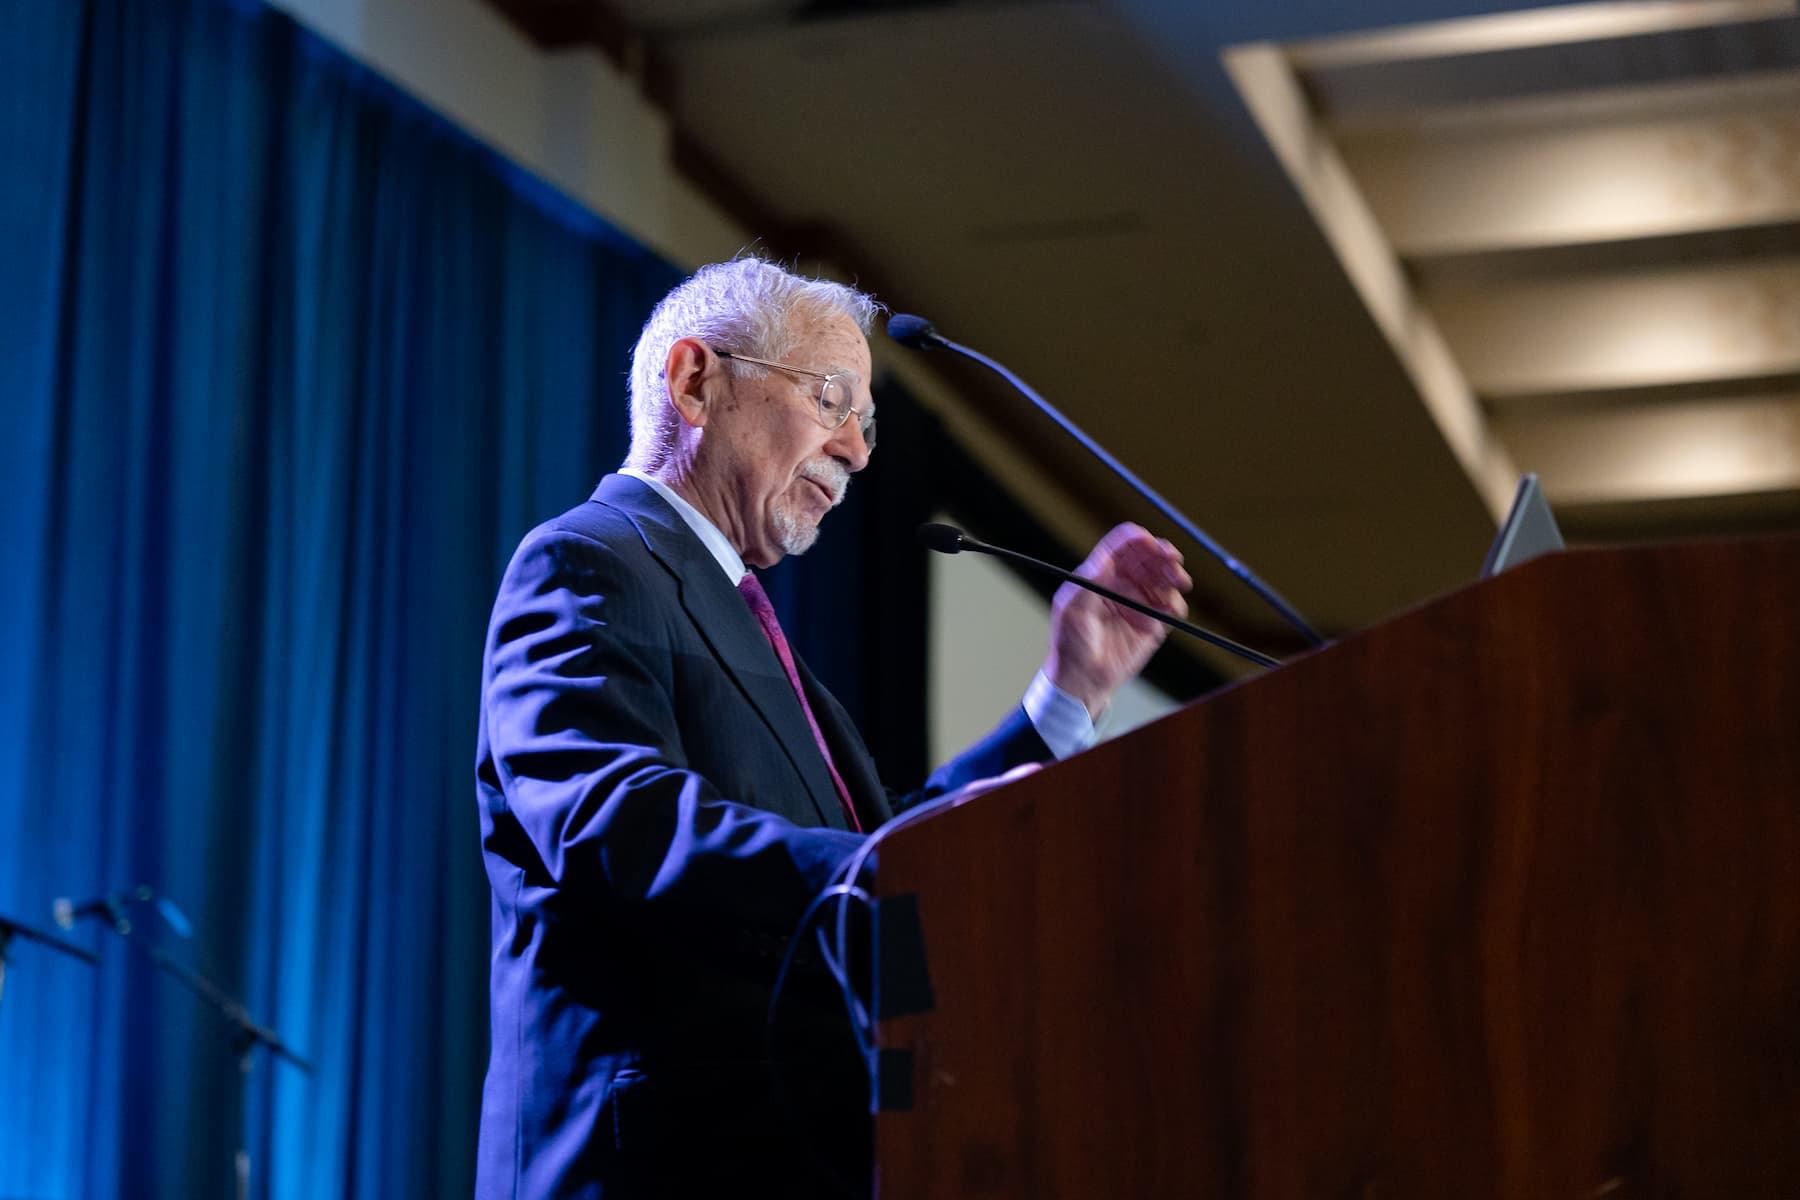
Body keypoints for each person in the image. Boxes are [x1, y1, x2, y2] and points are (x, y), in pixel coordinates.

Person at [474, 257, 1191, 1198]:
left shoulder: (757, 631)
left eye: (867, 419)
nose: (857, 450)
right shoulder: (586, 561)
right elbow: (611, 817)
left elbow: (871, 844)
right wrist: (878, 876)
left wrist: (1068, 695)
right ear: (696, 382)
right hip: (650, 1168)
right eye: (831, 399)